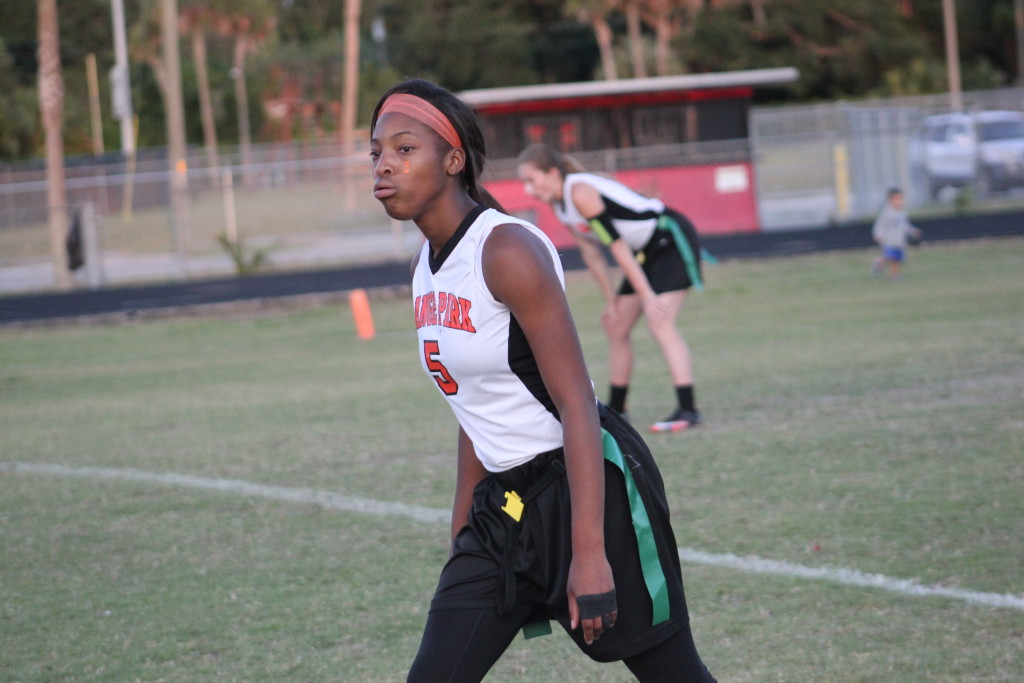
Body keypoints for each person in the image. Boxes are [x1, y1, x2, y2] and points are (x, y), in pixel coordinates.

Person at [370, 78, 716, 682]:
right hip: (502, 507)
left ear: (453, 161)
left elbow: (577, 402)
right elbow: (473, 403)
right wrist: (462, 530)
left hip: (583, 492)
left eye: (404, 149)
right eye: (375, 152)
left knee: (676, 676)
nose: (383, 165)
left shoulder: (505, 250)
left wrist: (590, 554)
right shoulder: (426, 265)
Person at [517, 144, 704, 433]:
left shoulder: (579, 192)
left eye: (531, 180)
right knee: (616, 326)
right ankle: (617, 411)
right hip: (643, 252)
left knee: (660, 321)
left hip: (669, 240)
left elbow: (615, 245)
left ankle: (688, 410)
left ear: (552, 173)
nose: (528, 189)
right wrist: (611, 300)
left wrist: (647, 296)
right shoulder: (560, 204)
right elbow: (591, 254)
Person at [872, 187, 922, 281]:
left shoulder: (901, 213)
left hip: (899, 240)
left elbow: (906, 225)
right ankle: (879, 261)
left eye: (900, 198)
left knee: (897, 259)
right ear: (890, 200)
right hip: (889, 240)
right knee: (890, 257)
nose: (899, 201)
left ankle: (895, 275)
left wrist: (913, 231)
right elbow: (879, 225)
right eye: (896, 199)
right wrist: (878, 235)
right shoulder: (887, 213)